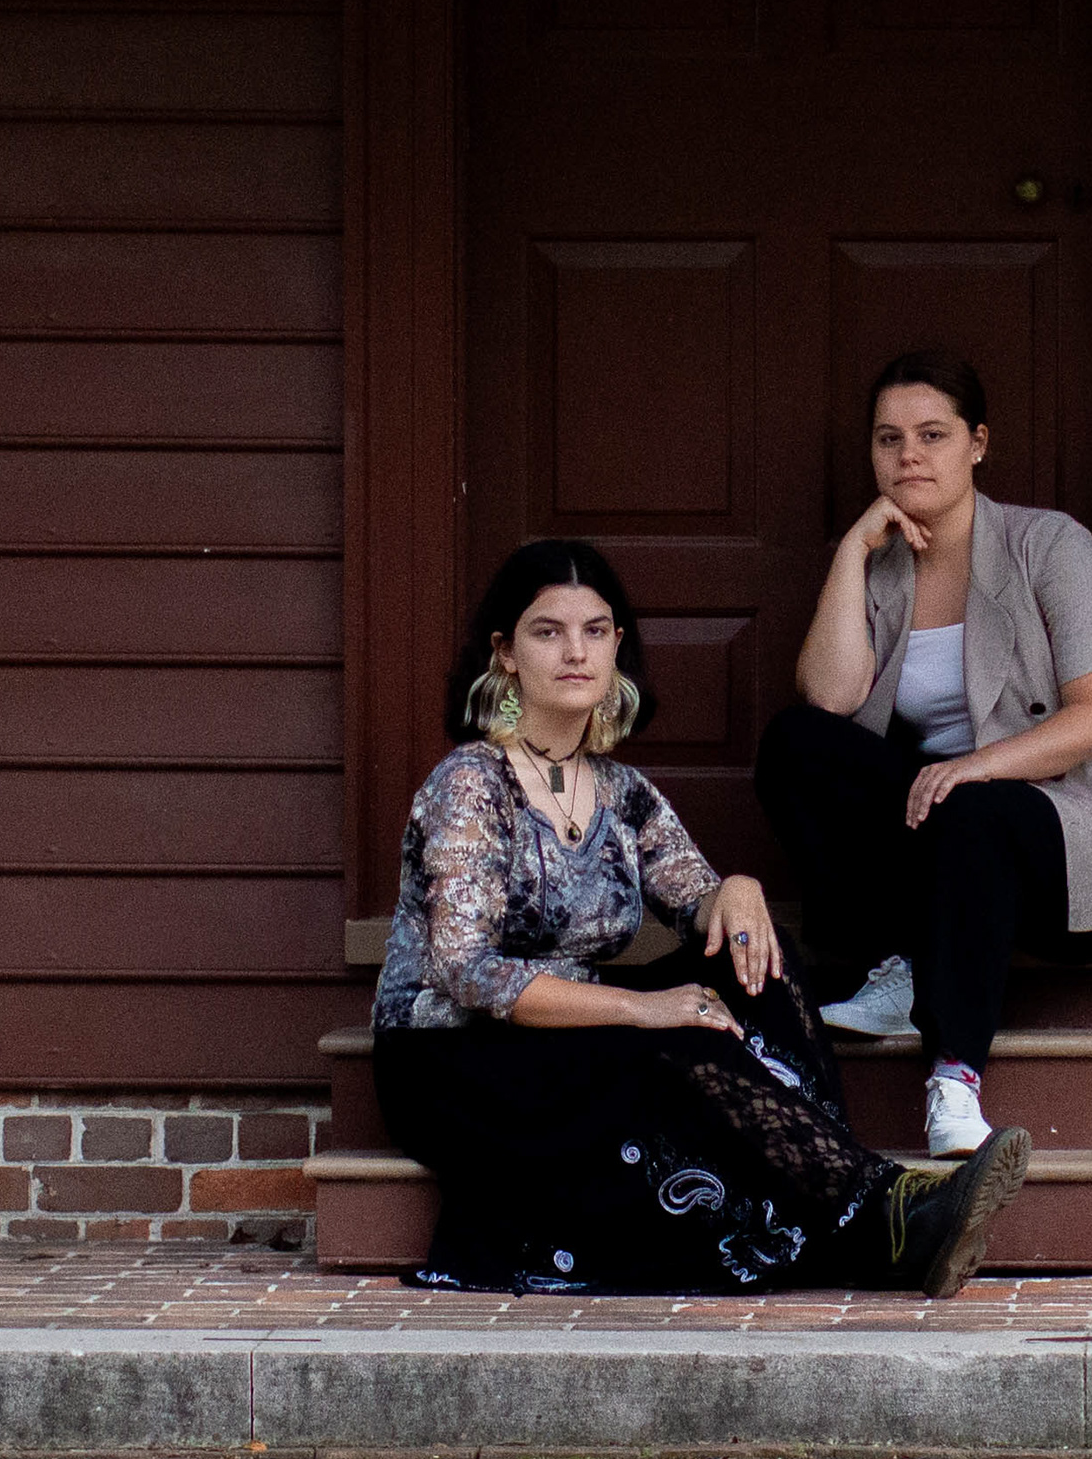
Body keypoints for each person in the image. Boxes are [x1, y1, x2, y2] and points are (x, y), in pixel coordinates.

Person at [371, 535, 1029, 1298]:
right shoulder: (472, 784)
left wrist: (736, 891)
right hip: (454, 1057)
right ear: (506, 654)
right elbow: (467, 972)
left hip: (571, 1033)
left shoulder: (620, 792)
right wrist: (640, 1009)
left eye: (594, 631)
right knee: (673, 1035)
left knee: (757, 958)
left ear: (617, 646)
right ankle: (879, 1209)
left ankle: (854, 1197)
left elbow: (696, 900)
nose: (575, 652)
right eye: (547, 632)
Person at [754, 351, 1092, 1157]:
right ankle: (900, 965)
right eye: (888, 439)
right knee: (795, 743)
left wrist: (976, 767)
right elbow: (830, 698)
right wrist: (852, 553)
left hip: (1069, 835)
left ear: (978, 443)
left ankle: (954, 1079)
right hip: (944, 841)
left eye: (932, 435)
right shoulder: (883, 565)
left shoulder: (1049, 546)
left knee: (975, 809)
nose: (908, 456)